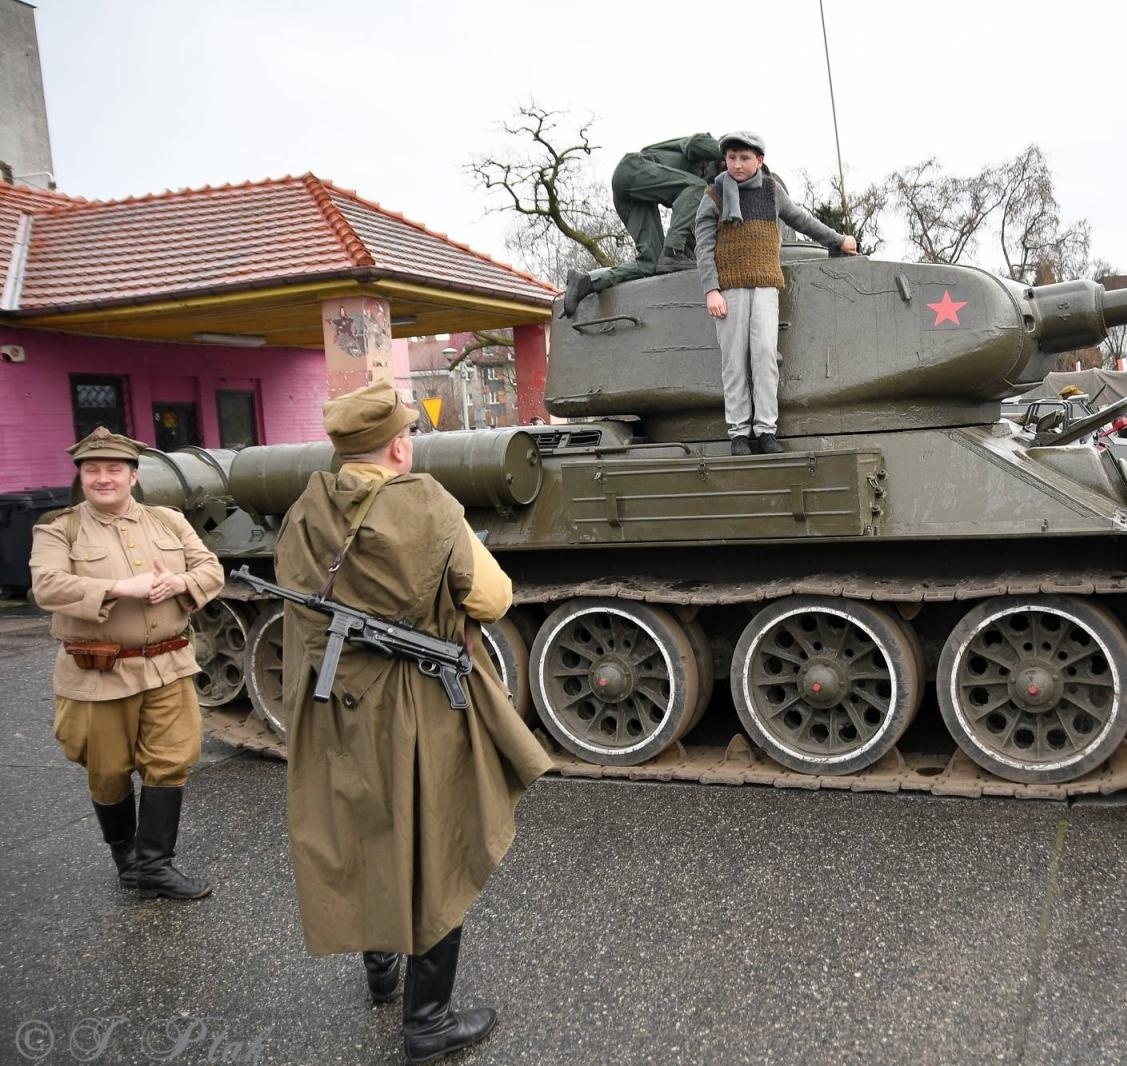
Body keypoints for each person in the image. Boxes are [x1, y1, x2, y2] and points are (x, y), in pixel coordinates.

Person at [274, 383, 553, 1064]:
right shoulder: (429, 503)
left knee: (367, 827)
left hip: (335, 701)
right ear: (401, 444)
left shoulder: (307, 507)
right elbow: (492, 596)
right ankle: (427, 1022)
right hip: (418, 703)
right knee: (436, 843)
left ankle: (379, 970)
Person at [29, 426, 224, 899]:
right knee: (109, 769)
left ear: (133, 476)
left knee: (171, 762)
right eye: (92, 470)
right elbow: (47, 587)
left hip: (167, 666)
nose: (103, 478)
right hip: (100, 672)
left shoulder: (168, 521)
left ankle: (156, 865)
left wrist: (179, 583)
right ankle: (127, 860)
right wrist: (119, 589)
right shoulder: (60, 528)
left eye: (114, 469)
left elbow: (210, 568)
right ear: (81, 476)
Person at [696, 131, 858, 454]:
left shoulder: (771, 192)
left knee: (765, 355)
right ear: (724, 160)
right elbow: (704, 245)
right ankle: (739, 434)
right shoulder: (714, 195)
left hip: (766, 286)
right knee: (734, 362)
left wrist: (837, 239)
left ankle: (766, 429)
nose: (738, 165)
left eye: (745, 158)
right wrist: (711, 289)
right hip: (730, 289)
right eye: (732, 158)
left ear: (759, 160)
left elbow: (801, 219)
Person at [562, 132, 725, 317]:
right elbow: (693, 145)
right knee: (697, 188)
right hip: (633, 169)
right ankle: (672, 252)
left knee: (652, 262)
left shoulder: (708, 188)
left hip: (639, 196)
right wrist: (723, 151)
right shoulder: (707, 147)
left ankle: (586, 282)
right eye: (730, 158)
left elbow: (689, 221)